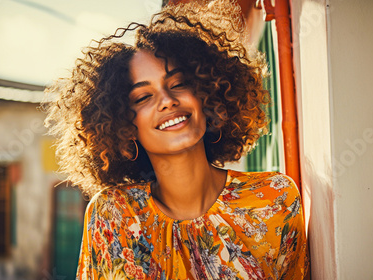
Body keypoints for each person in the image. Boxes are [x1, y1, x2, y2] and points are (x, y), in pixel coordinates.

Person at [43, 0, 309, 279]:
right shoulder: (113, 216)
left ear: (208, 92)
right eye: (144, 97)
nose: (168, 101)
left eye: (179, 84)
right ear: (126, 125)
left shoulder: (275, 199)